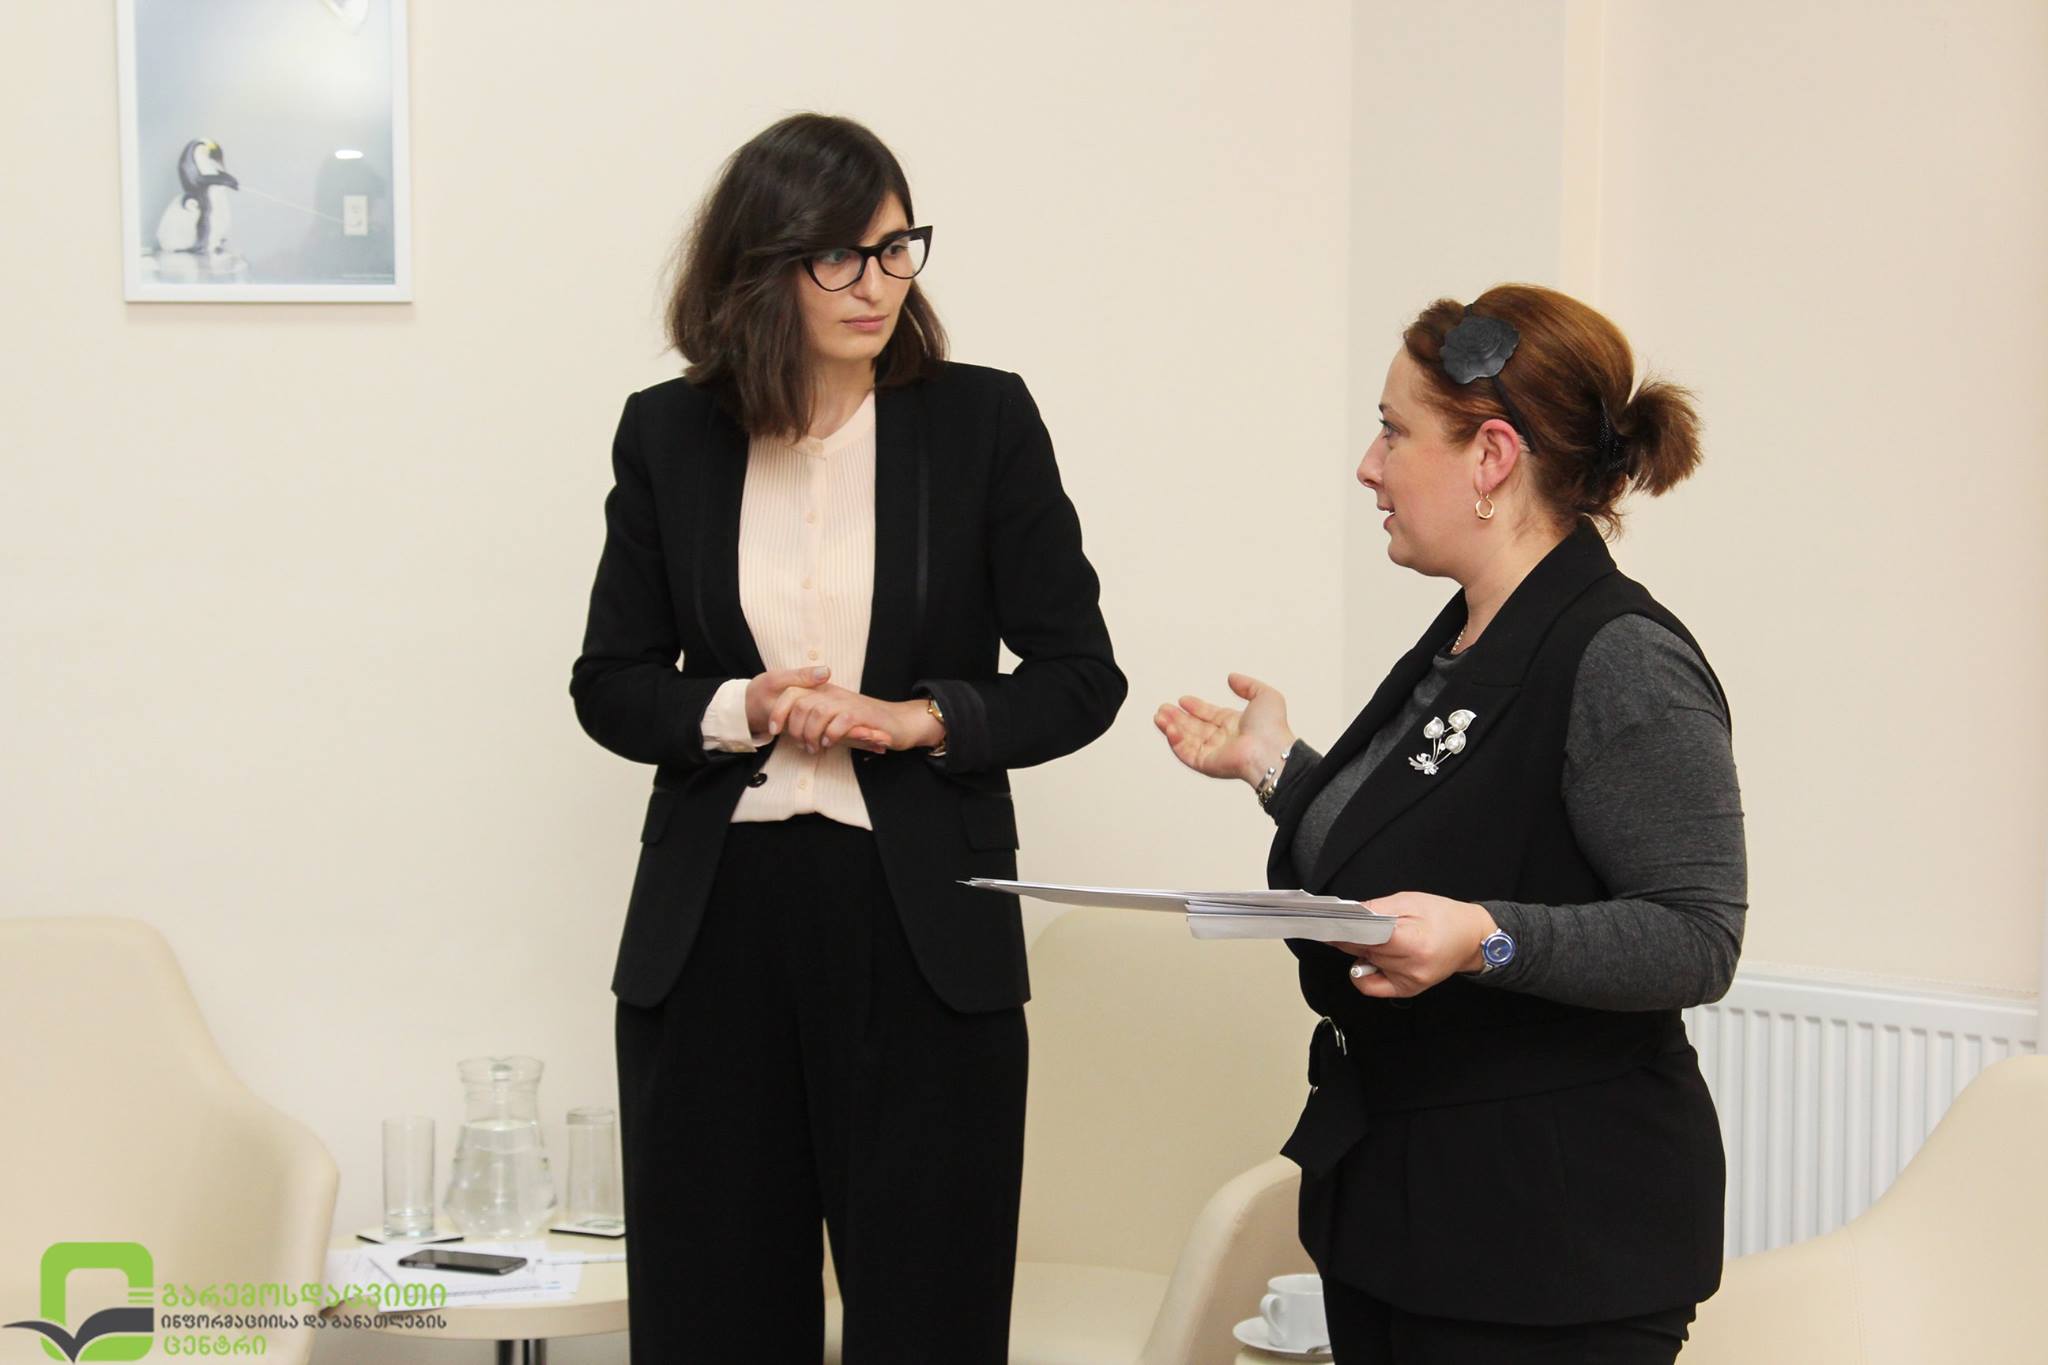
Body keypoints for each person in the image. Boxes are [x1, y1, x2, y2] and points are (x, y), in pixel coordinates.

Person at [571, 113, 1124, 1363]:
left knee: (927, 1314)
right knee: (711, 1316)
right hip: (713, 927)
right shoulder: (667, 434)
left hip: (918, 924)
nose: (877, 284)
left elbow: (1078, 677)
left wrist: (919, 718)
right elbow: (608, 684)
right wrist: (744, 708)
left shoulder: (982, 421)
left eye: (895, 248)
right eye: (838, 256)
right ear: (759, 265)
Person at [1155, 284, 1745, 1363]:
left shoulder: (1621, 657)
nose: (1367, 465)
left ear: (1491, 458)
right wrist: (1275, 768)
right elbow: (1430, 840)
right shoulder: (1472, 637)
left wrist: (1488, 938)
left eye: (1392, 431)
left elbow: (1696, 934)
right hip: (1407, 1207)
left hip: (1551, 1236)